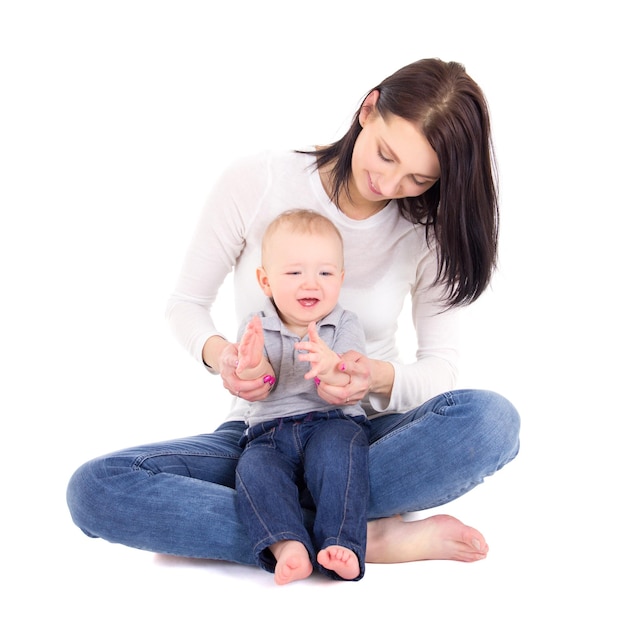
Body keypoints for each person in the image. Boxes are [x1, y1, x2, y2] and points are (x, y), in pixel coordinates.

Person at [67, 57, 521, 572]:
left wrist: (371, 376)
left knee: (491, 421)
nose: (390, 183)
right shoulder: (258, 180)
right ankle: (361, 535)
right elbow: (185, 306)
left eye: (418, 178)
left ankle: (282, 530)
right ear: (368, 110)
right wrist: (226, 360)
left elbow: (440, 369)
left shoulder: (425, 232)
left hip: (361, 437)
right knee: (97, 488)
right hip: (258, 439)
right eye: (386, 155)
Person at [234, 209, 370, 584]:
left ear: (341, 280)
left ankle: (341, 544)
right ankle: (288, 545)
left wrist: (332, 368)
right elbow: (262, 379)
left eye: (325, 273)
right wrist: (249, 363)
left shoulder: (344, 322)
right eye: (294, 273)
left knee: (339, 458)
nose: (311, 283)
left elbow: (349, 373)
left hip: (333, 423)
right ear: (265, 280)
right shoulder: (257, 324)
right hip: (269, 434)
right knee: (254, 471)